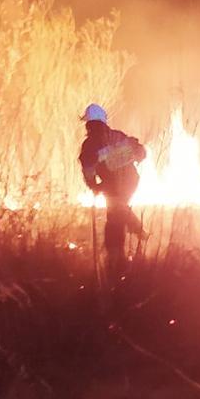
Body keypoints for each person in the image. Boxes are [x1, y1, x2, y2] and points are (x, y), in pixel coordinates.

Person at [78, 103, 148, 273]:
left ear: (87, 123)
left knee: (114, 220)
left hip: (115, 186)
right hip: (129, 182)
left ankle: (118, 259)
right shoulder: (117, 136)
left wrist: (94, 186)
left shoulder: (89, 144)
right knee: (116, 216)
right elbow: (141, 152)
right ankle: (123, 255)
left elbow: (88, 170)